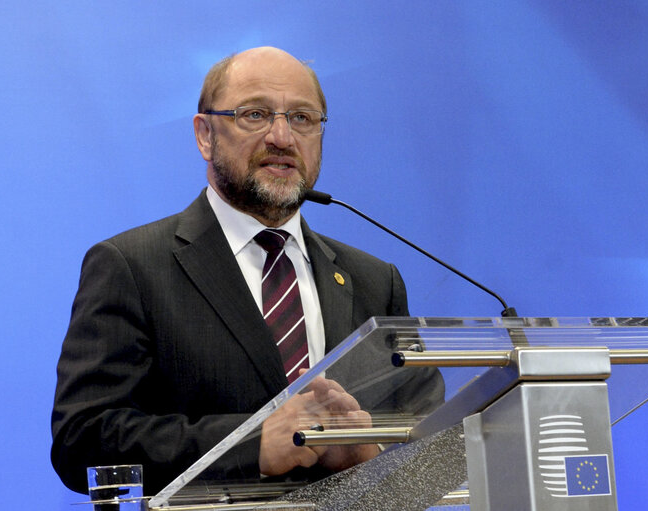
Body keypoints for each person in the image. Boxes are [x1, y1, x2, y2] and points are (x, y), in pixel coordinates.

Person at [51, 46, 442, 496]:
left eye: (302, 118)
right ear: (205, 135)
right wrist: (251, 443)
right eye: (255, 114)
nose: (282, 136)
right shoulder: (132, 266)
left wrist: (370, 458)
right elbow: (82, 438)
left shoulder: (375, 280)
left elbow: (431, 446)